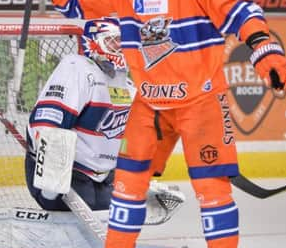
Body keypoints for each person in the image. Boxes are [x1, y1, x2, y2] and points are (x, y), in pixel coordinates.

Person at [20, 0, 286, 248]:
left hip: (201, 102)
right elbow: (74, 2)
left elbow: (239, 10)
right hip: (150, 104)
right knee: (128, 185)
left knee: (212, 189)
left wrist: (263, 47)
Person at [25, 17, 184, 223]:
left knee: (116, 204)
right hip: (67, 177)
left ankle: (136, 190)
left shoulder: (126, 83)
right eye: (113, 41)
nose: (121, 47)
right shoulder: (77, 67)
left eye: (123, 41)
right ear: (93, 41)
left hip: (102, 179)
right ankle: (52, 199)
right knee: (56, 141)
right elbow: (45, 125)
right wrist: (53, 181)